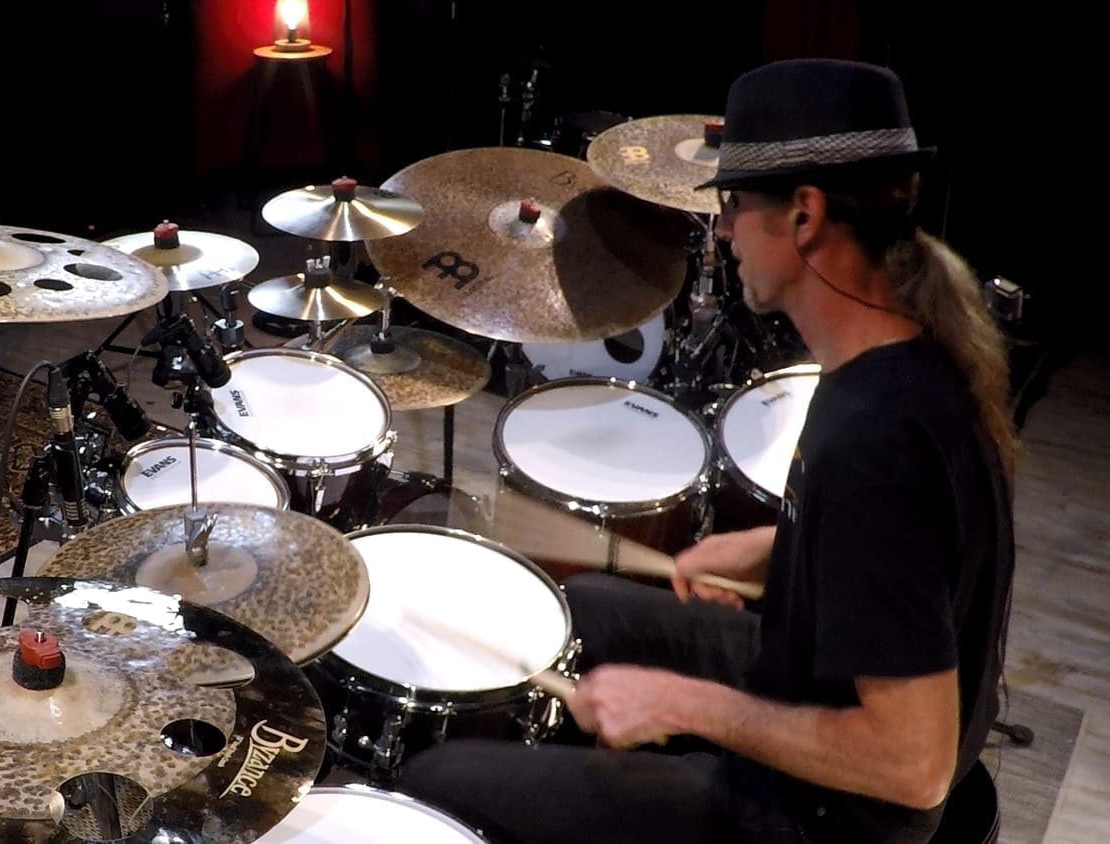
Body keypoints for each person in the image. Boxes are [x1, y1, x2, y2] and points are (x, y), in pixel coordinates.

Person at [394, 58, 1018, 844]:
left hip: (833, 817)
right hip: (808, 674)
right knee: (586, 607)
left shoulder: (880, 442)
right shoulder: (907, 354)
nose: (721, 233)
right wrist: (772, 549)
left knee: (439, 782)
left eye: (733, 206)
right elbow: (905, 565)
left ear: (804, 215)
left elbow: (911, 766)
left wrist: (684, 705)